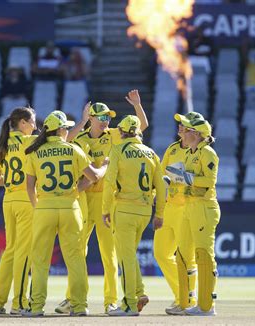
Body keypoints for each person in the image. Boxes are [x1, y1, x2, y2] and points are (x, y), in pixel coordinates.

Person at [56, 89, 149, 314]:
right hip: (84, 198)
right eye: (103, 117)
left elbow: (142, 126)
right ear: (93, 119)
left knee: (110, 253)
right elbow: (64, 139)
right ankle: (73, 297)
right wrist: (81, 120)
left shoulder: (114, 135)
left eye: (109, 117)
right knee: (79, 250)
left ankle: (111, 301)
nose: (107, 121)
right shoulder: (81, 137)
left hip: (108, 199)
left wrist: (137, 105)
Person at [22, 110, 109, 317]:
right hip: (70, 208)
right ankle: (79, 306)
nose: (68, 130)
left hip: (45, 208)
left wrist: (38, 207)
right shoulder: (73, 150)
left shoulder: (34, 152)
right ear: (60, 130)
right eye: (67, 128)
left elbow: (29, 187)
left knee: (40, 261)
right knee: (76, 259)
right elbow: (94, 177)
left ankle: (36, 308)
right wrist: (105, 165)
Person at [102, 115, 165, 316]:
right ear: (138, 132)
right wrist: (159, 214)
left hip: (124, 209)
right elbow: (161, 188)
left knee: (126, 257)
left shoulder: (118, 150)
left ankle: (129, 304)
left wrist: (105, 209)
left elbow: (109, 183)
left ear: (121, 132)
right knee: (128, 255)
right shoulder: (152, 153)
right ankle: (139, 293)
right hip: (145, 211)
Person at [166, 113, 220, 316]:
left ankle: (206, 307)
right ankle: (184, 302)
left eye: (187, 129)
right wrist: (173, 180)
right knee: (182, 254)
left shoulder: (208, 153)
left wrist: (184, 177)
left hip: (204, 208)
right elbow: (186, 180)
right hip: (188, 207)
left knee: (203, 256)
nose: (182, 131)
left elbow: (209, 182)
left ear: (197, 134)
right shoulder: (189, 153)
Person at [0, 107, 37, 315]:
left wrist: (12, 183)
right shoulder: (30, 142)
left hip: (8, 199)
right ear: (23, 123)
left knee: (10, 251)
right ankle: (18, 303)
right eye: (33, 122)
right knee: (24, 252)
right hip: (26, 200)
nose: (36, 126)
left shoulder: (3, 144)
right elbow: (62, 140)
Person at [154, 113, 202, 315]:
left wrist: (179, 175)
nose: (180, 127)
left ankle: (189, 299)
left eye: (184, 125)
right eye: (180, 124)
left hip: (187, 208)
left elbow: (201, 180)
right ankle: (182, 296)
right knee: (161, 254)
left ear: (193, 130)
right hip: (169, 207)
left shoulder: (199, 151)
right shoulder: (173, 149)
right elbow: (162, 175)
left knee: (187, 258)